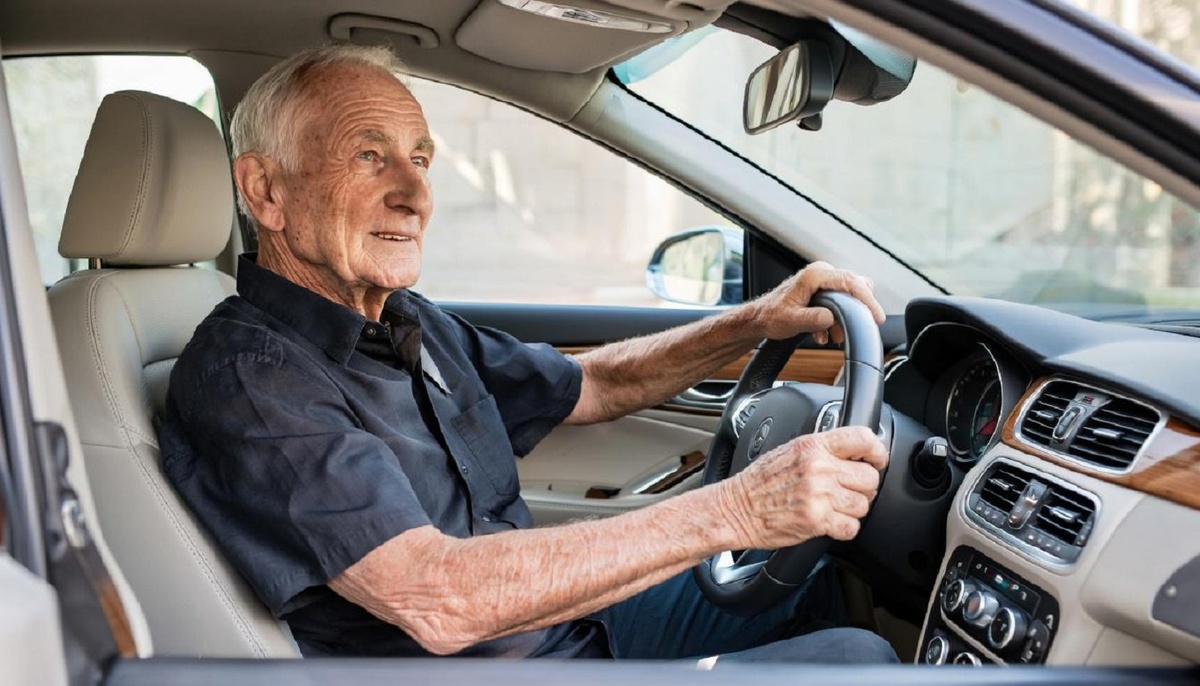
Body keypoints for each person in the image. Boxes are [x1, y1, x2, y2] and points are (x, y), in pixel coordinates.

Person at [160, 44, 898, 665]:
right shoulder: (250, 378)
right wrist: (740, 507)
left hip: (555, 627)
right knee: (857, 661)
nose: (416, 194)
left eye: (421, 159)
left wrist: (754, 322)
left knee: (810, 580)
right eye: (369, 156)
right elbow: (439, 596)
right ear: (266, 191)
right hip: (488, 668)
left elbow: (592, 384)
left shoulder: (405, 320)